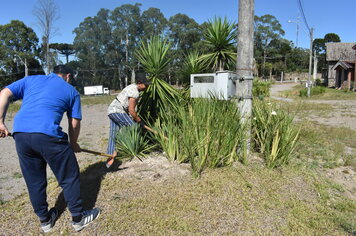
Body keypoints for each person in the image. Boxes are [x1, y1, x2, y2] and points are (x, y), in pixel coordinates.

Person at [0, 65, 100, 233]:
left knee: (34, 180)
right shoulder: (71, 91)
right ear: (68, 76)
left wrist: (0, 121)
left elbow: (4, 93)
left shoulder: (31, 79)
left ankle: (45, 221)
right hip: (48, 135)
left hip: (21, 135)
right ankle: (78, 218)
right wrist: (73, 143)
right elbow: (74, 122)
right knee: (69, 176)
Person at [107, 72, 151, 157]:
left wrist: (135, 118)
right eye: (145, 85)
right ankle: (133, 148)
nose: (147, 87)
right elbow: (131, 110)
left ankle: (110, 156)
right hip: (117, 111)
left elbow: (130, 111)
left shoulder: (132, 87)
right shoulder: (135, 92)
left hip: (111, 110)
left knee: (113, 133)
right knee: (133, 126)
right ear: (139, 83)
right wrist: (139, 121)